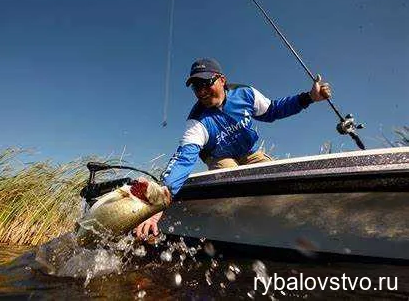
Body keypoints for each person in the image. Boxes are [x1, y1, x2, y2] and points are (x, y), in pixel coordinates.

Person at [134, 57, 331, 239]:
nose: (201, 91)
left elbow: (273, 110)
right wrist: (159, 200)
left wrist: (309, 97)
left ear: (221, 79)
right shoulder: (196, 122)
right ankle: (240, 225)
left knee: (275, 176)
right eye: (196, 87)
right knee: (232, 174)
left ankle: (290, 222)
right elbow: (184, 158)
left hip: (250, 152)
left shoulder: (246, 94)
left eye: (205, 83)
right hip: (219, 157)